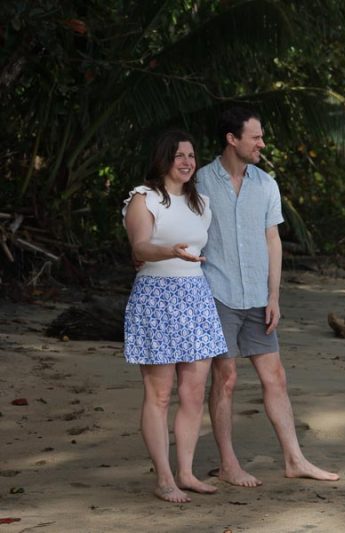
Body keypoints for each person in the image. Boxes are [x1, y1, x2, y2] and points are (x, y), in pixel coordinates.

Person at [196, 107, 339, 487]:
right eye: (255, 137)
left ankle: (295, 459)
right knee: (225, 379)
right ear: (232, 139)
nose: (261, 143)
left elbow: (272, 240)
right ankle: (228, 463)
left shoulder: (266, 184)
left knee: (275, 377)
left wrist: (274, 295)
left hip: (259, 296)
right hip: (217, 294)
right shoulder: (201, 182)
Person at [122, 130, 228, 503]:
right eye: (179, 155)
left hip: (196, 297)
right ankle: (164, 477)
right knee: (160, 394)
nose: (187, 162)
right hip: (157, 297)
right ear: (164, 159)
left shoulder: (202, 203)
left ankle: (186, 472)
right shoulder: (144, 198)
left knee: (194, 392)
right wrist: (169, 250)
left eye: (192, 156)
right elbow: (140, 247)